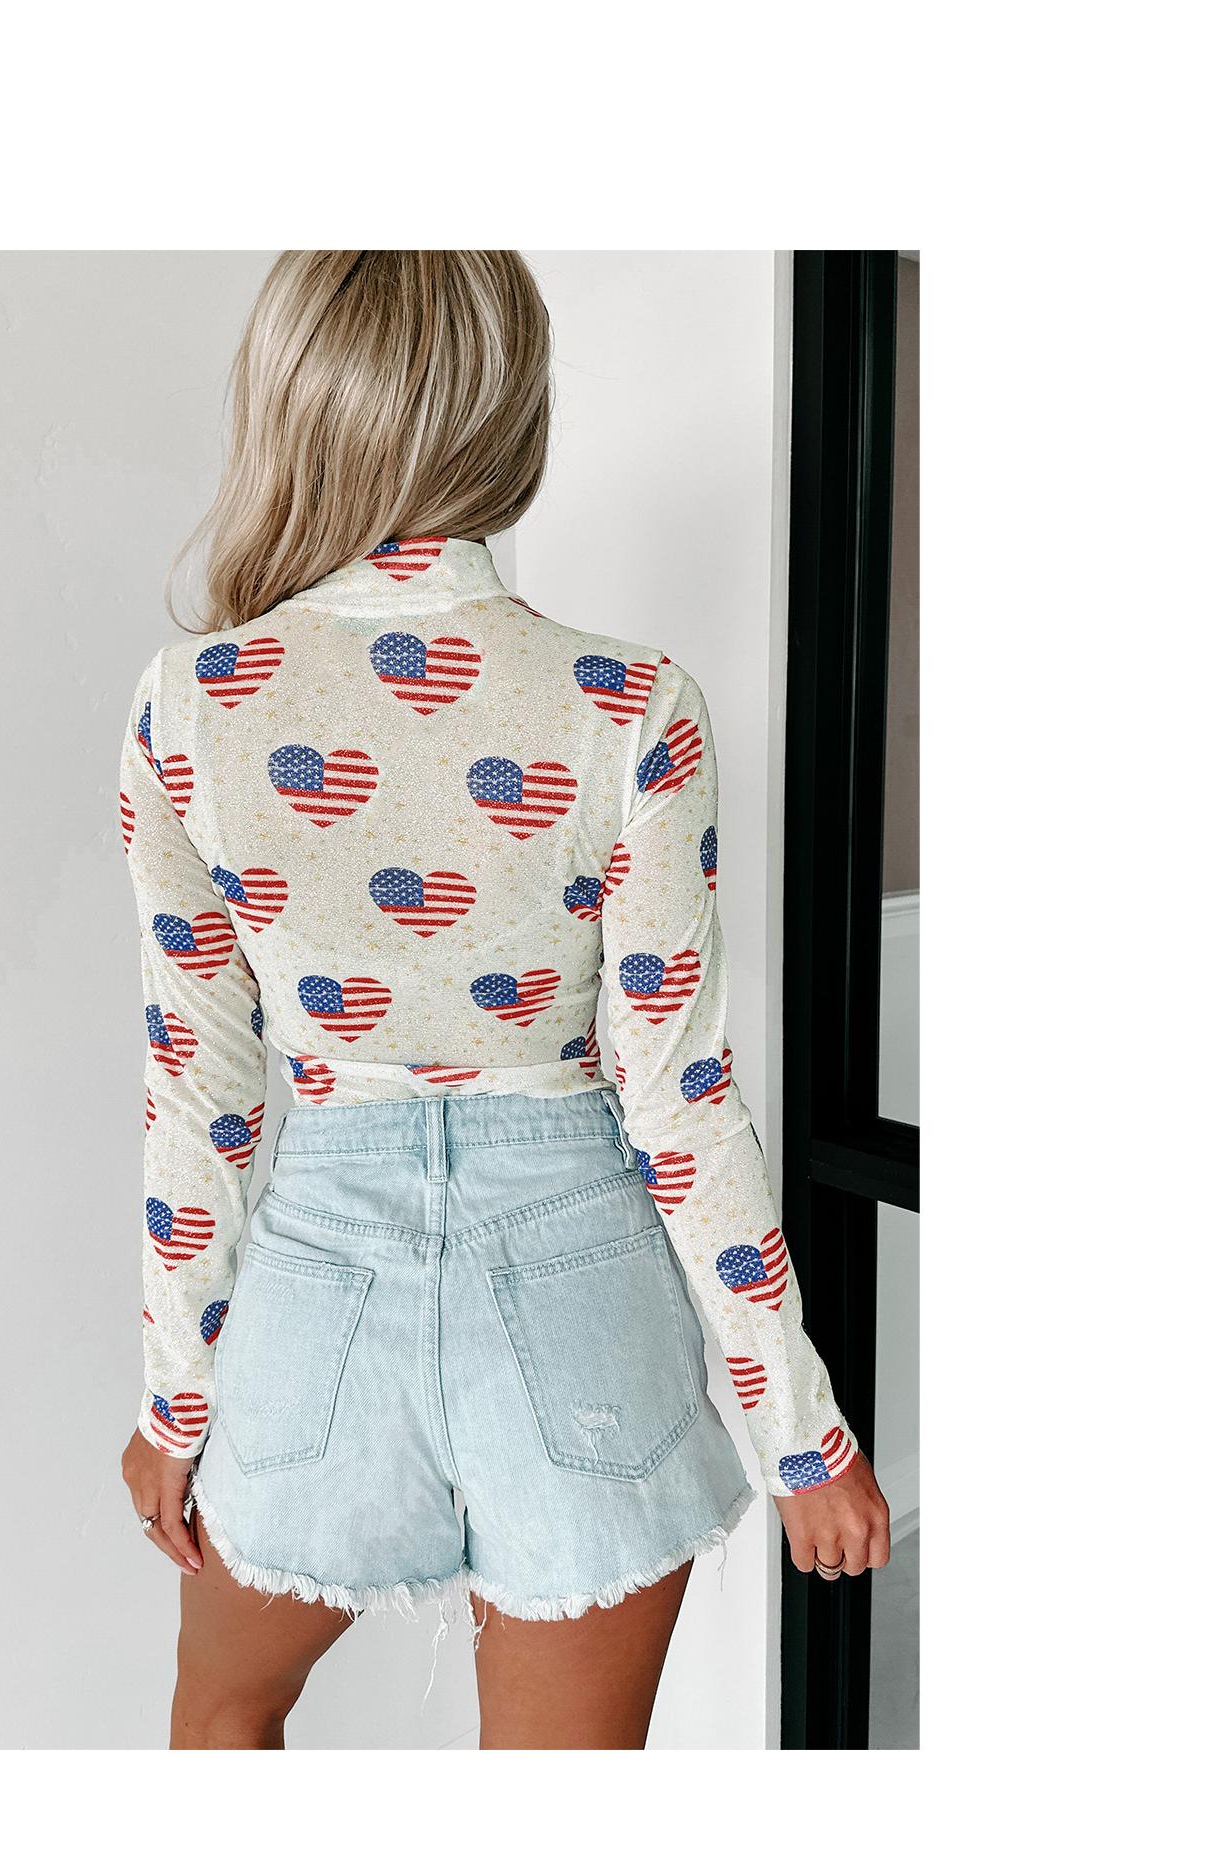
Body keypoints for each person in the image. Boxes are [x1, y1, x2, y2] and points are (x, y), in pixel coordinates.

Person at [118, 250, 889, 1750]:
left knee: (222, 1719)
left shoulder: (191, 703)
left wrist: (174, 1403)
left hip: (318, 1279)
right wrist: (802, 1439)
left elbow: (200, 1088)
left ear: (293, 403)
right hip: (580, 1276)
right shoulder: (629, 706)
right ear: (512, 413)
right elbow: (677, 1098)